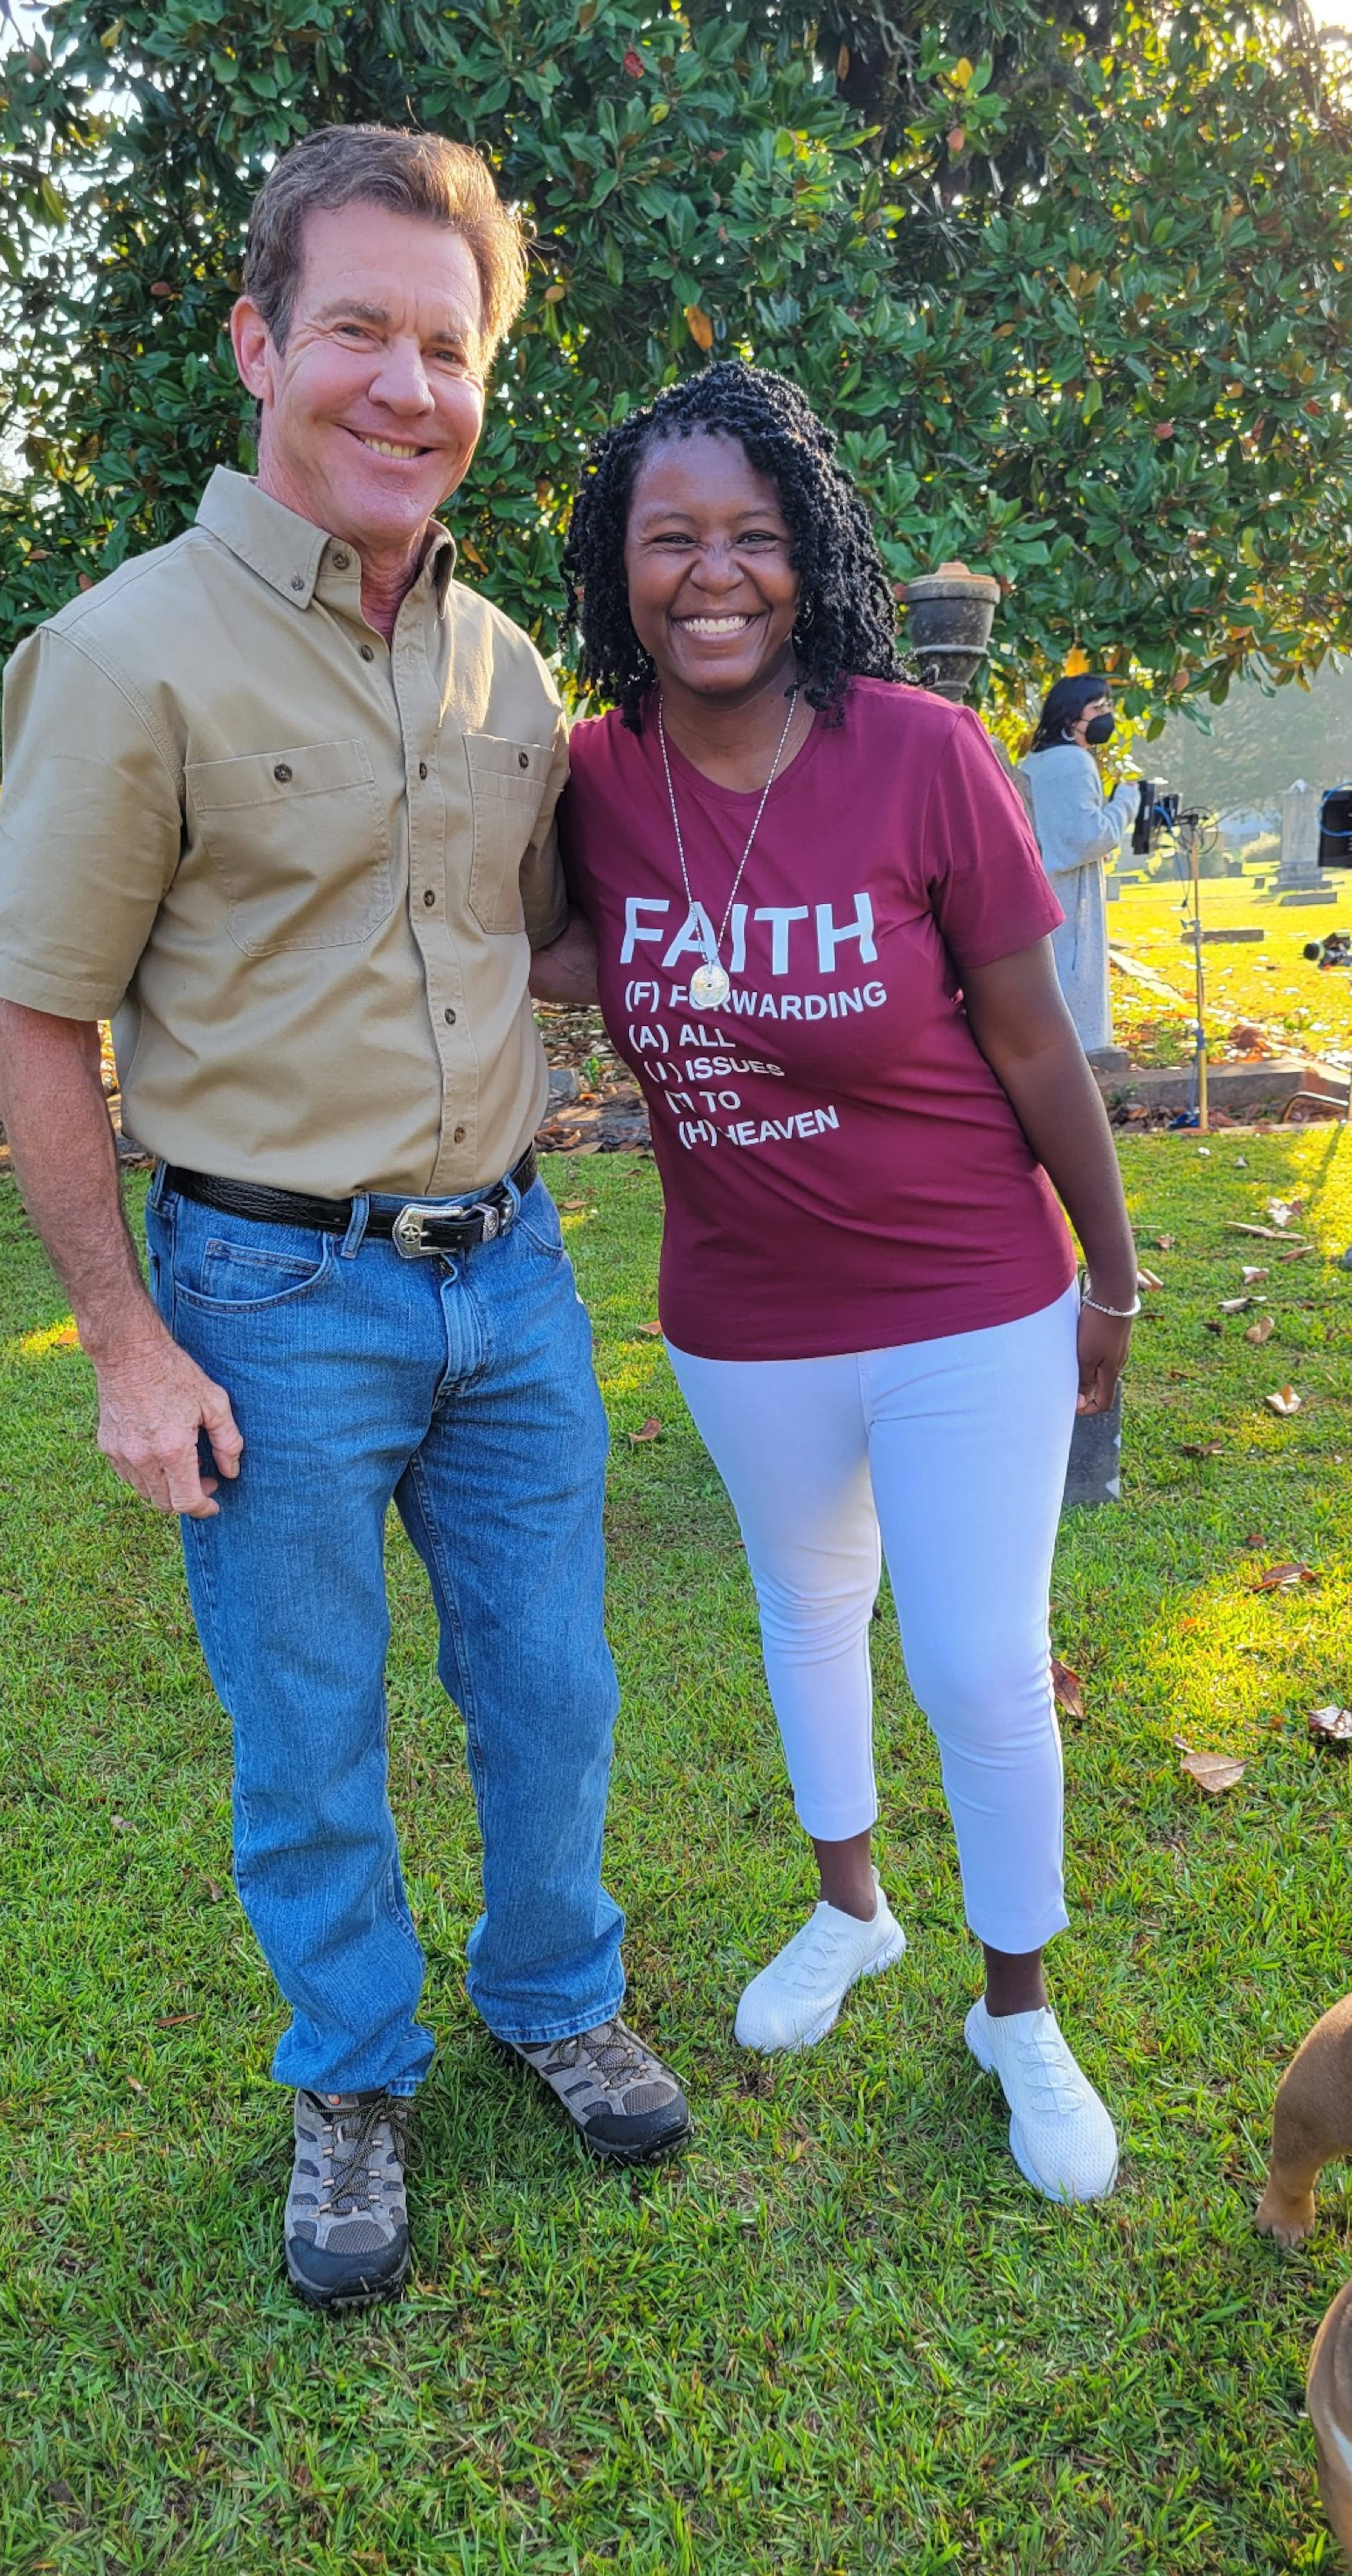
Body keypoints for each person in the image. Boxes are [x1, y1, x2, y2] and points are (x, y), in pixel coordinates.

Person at [0, 124, 690, 2316]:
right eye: (359, 328)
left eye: (447, 346)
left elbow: (533, 939)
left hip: (514, 1276)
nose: (407, 383)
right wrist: (127, 1344)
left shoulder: (504, 674)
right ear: (258, 343)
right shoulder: (126, 655)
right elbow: (38, 1020)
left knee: (553, 1687)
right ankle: (355, 2070)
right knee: (307, 1724)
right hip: (267, 1293)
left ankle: (551, 1991)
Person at [557, 362, 1138, 2204]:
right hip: (742, 1314)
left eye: (755, 534)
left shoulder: (920, 753)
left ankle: (1018, 2007)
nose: (714, 573)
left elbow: (1034, 1039)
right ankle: (853, 1909)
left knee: (977, 1657)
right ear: (618, 566)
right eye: (672, 538)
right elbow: (529, 943)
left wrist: (1113, 1277)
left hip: (972, 1293)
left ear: (808, 556)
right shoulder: (591, 776)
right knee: (809, 1608)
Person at [1019, 675, 1140, 1058]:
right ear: (1072, 717)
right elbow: (1088, 838)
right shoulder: (1074, 762)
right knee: (1074, 985)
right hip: (1069, 893)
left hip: (1041, 890)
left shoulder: (1035, 761)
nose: (1107, 716)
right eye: (1098, 708)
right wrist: (1126, 803)